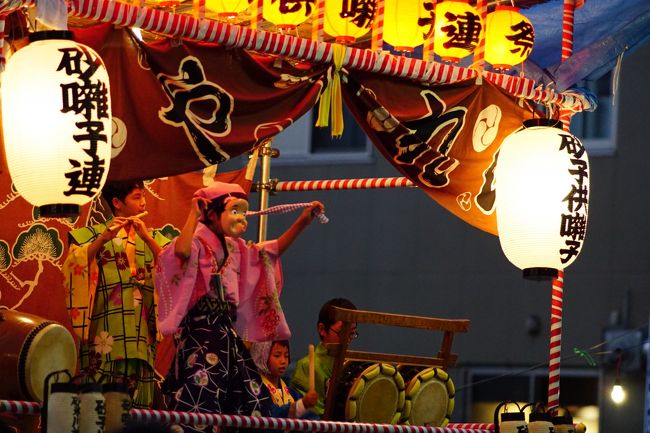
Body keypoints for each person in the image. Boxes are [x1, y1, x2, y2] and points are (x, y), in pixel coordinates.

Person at [154, 182, 324, 433]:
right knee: (201, 395)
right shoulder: (198, 241)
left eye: (243, 212)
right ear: (211, 214)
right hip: (201, 333)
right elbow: (180, 250)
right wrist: (193, 212)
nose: (241, 219)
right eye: (234, 211)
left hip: (225, 334)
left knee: (251, 394)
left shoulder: (236, 248)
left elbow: (271, 251)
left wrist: (302, 222)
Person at [63, 180, 171, 408]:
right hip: (105, 331)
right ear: (116, 202)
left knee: (138, 402)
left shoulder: (154, 238)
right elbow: (75, 265)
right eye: (136, 197)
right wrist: (103, 239)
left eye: (144, 196)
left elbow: (174, 267)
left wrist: (148, 239)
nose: (143, 202)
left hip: (141, 331)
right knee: (99, 403)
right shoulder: (89, 236)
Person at [290, 298, 357, 417]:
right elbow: (309, 414)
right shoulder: (306, 366)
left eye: (352, 333)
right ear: (322, 329)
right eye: (342, 332)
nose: (347, 339)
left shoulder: (353, 365)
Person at [250, 340, 319, 420]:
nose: (283, 361)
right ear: (262, 357)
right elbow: (270, 414)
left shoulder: (293, 394)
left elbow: (311, 419)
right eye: (277, 355)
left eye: (286, 356)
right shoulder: (256, 393)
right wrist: (302, 404)